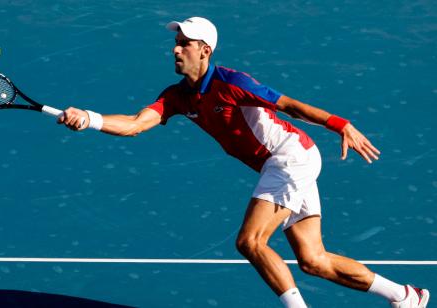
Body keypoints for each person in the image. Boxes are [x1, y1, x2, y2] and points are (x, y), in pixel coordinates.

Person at [57, 16, 430, 308]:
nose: (175, 49)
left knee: (250, 241)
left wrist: (341, 125)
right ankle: (404, 296)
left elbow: (288, 106)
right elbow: (136, 125)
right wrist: (89, 118)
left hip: (289, 158)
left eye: (184, 44)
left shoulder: (232, 81)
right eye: (175, 43)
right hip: (287, 164)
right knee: (313, 260)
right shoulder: (176, 97)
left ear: (205, 50)